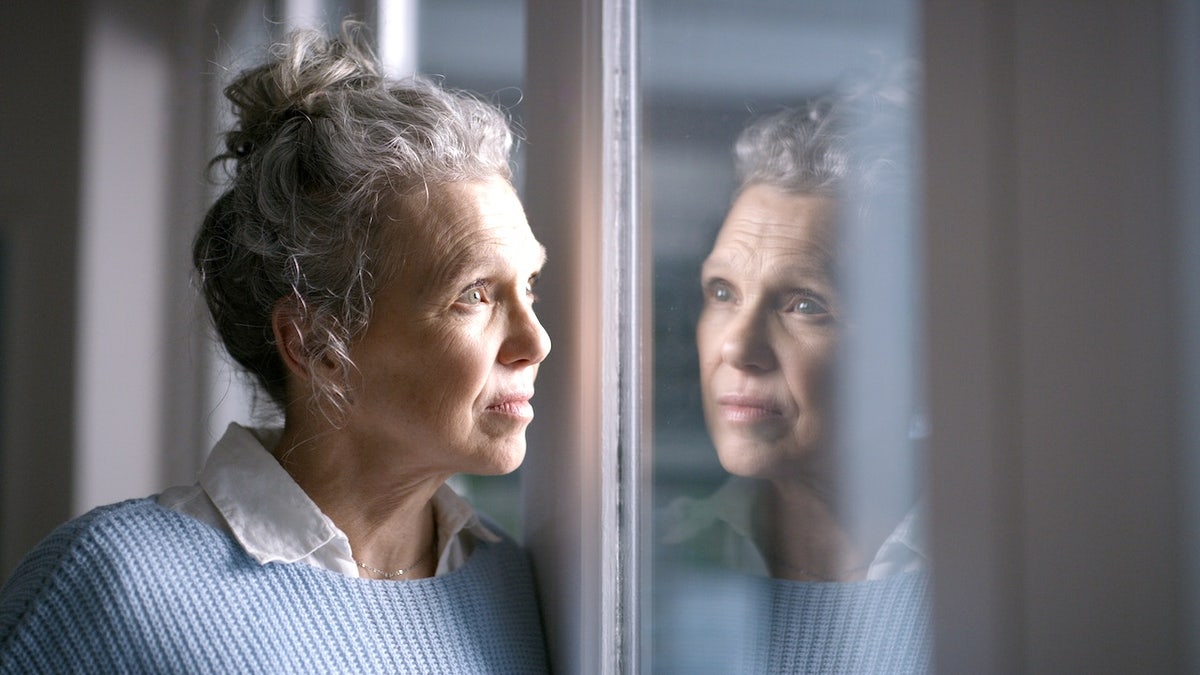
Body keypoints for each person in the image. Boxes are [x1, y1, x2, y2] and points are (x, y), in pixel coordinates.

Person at [0, 22, 550, 673]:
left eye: (531, 286)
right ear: (315, 342)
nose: (535, 341)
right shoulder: (112, 585)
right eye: (475, 295)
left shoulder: (511, 582)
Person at [661, 86, 931, 672]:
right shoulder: (656, 566)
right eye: (723, 292)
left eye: (805, 305)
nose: (737, 346)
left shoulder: (1013, 583)